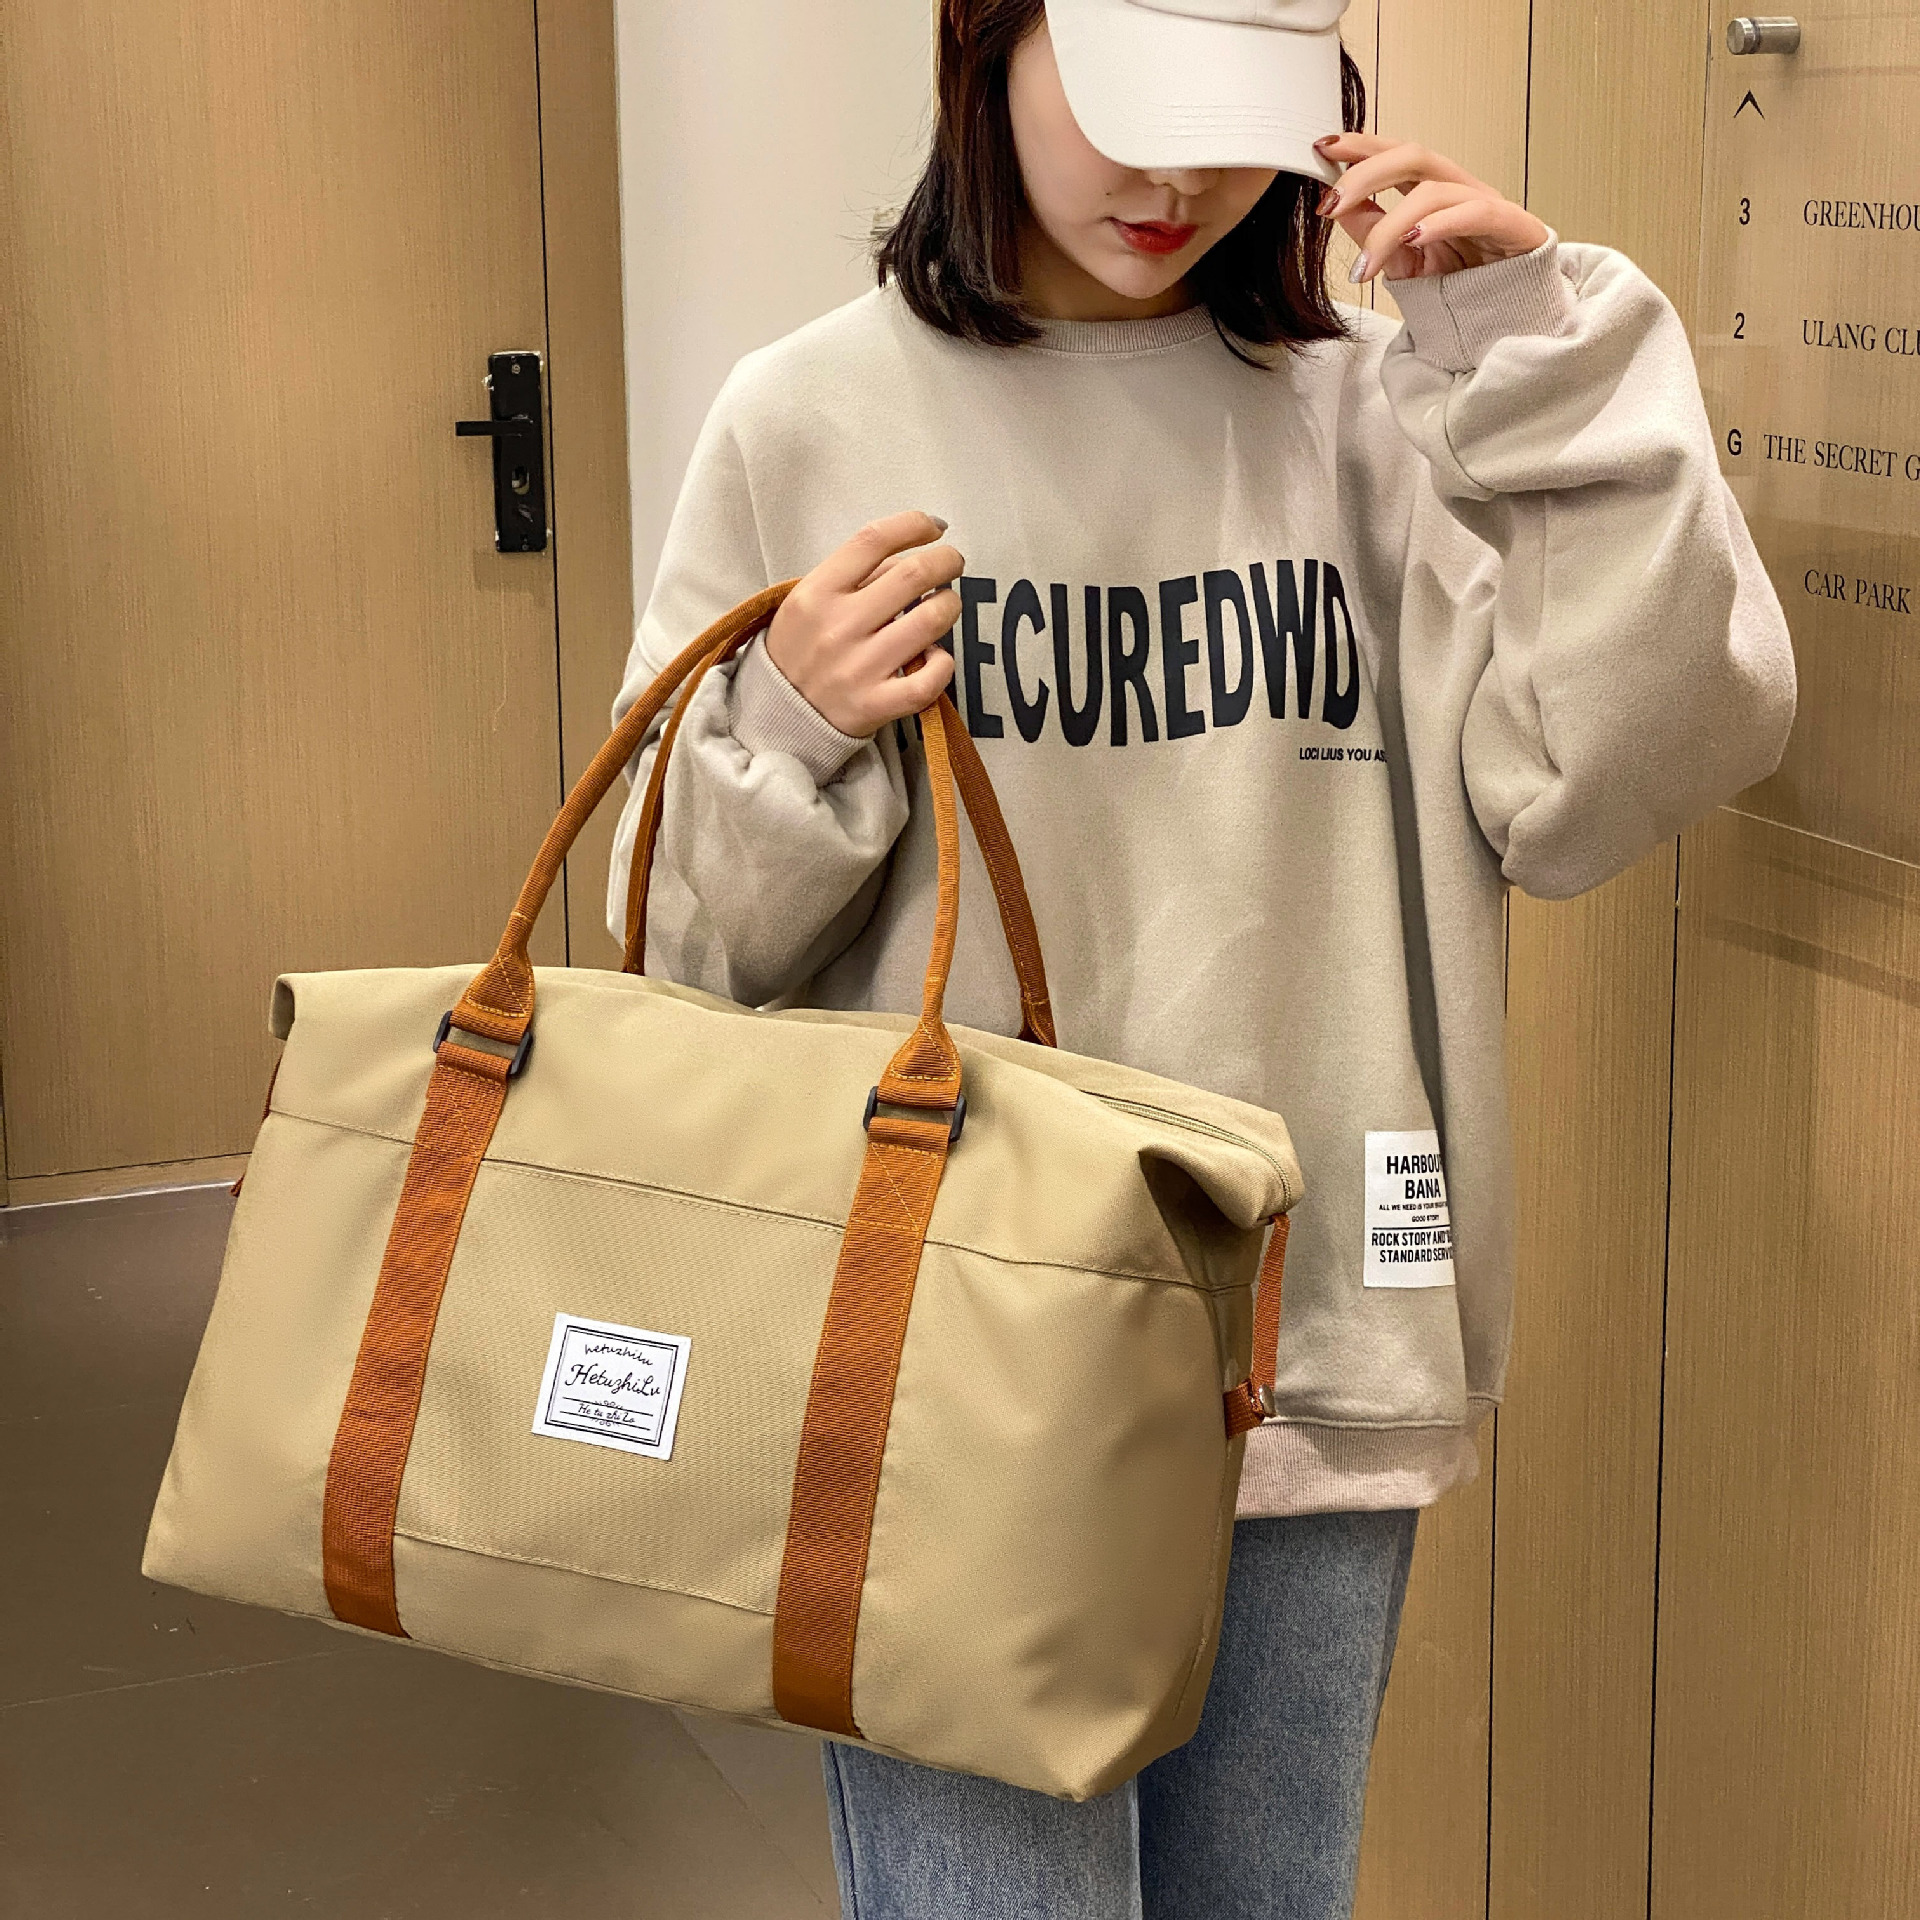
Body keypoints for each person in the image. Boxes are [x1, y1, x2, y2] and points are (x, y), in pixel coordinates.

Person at [606, 0, 1795, 1912]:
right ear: (985, 42)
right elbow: (679, 955)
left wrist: (1552, 363)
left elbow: (1626, 767)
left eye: (1233, 121)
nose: (1175, 178)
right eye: (1126, 104)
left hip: (1312, 1340)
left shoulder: (1383, 422)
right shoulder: (809, 416)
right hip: (946, 1368)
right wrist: (791, 726)